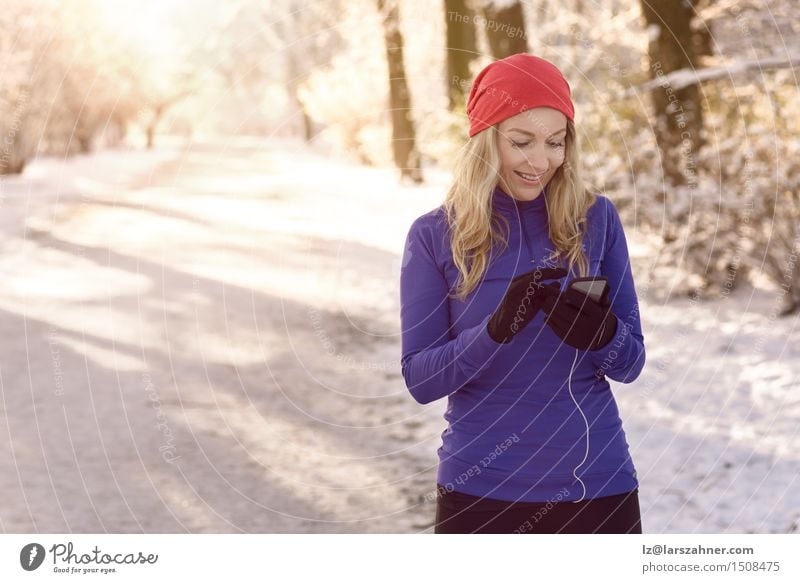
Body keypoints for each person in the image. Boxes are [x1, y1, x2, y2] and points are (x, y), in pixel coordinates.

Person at [399, 53, 646, 534]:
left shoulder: (596, 219)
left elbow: (631, 363)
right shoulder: (434, 235)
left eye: (555, 143)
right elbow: (420, 380)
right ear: (486, 142)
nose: (541, 161)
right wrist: (491, 333)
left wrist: (603, 334)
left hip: (598, 486)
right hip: (480, 489)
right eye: (521, 141)